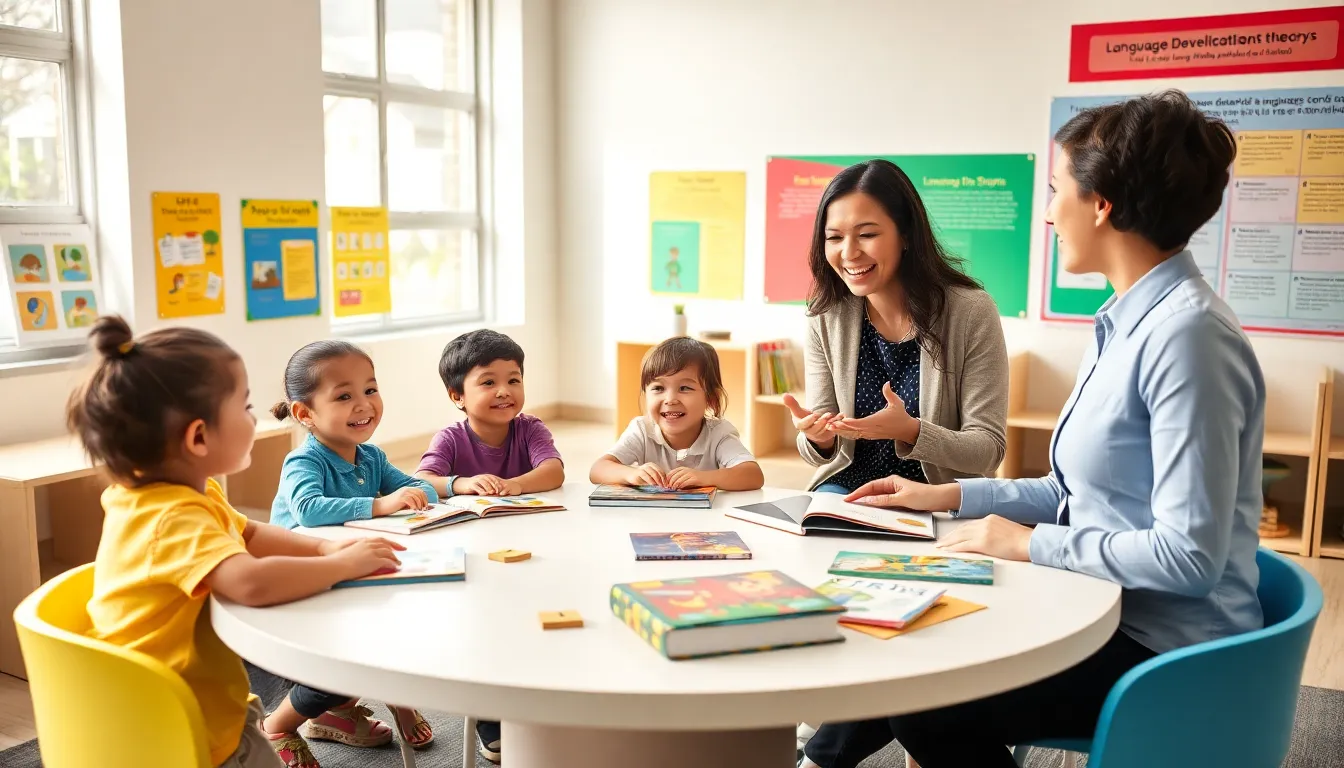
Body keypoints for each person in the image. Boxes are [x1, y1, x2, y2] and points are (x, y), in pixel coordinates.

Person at [799, 90, 1264, 768]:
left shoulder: (1188, 338)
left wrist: (1029, 543)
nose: (1048, 212)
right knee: (907, 645)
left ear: (1101, 203)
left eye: (1056, 190)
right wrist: (947, 498)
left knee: (926, 692)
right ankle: (820, 757)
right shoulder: (1126, 324)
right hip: (1103, 604)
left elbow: (1188, 560)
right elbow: (1072, 490)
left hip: (1166, 652)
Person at [70, 316, 404, 768]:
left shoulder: (179, 492)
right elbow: (249, 583)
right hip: (180, 723)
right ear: (199, 436)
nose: (257, 415)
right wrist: (340, 567)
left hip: (179, 701)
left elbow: (249, 532)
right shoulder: (171, 516)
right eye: (244, 407)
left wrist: (325, 549)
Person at [782, 159, 1008, 501]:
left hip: (936, 494)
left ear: (905, 234)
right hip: (848, 489)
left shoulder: (971, 311)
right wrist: (818, 437)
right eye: (834, 237)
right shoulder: (824, 316)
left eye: (867, 234)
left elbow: (988, 449)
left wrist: (911, 431)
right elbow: (819, 452)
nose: (849, 253)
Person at [267, 340, 439, 764]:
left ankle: (368, 703)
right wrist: (381, 504)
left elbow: (421, 488)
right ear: (304, 414)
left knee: (410, 622)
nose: (364, 404)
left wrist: (429, 489)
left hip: (351, 569)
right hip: (305, 583)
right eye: (344, 396)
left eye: (370, 389)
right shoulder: (303, 461)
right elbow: (308, 510)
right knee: (345, 659)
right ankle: (277, 725)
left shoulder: (371, 457)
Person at [414, 329, 564, 763]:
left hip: (531, 546)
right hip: (473, 551)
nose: (504, 391)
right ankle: (489, 718)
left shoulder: (529, 428)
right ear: (456, 395)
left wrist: (512, 485)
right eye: (488, 382)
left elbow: (553, 471)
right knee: (486, 628)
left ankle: (541, 698)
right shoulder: (451, 438)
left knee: (532, 619)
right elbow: (422, 480)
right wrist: (460, 483)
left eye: (514, 379)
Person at [591, 336, 765, 491]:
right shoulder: (642, 430)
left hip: (704, 522)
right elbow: (598, 469)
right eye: (658, 388)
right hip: (651, 520)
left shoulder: (719, 433)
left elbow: (753, 475)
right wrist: (631, 474)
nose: (670, 399)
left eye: (685, 388)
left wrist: (703, 478)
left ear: (711, 398)